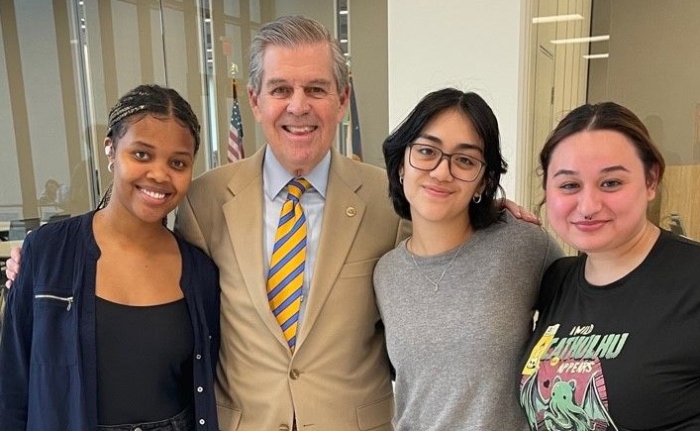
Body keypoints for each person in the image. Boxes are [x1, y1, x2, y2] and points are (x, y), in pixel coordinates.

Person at [5, 16, 534, 431]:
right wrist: (43, 257)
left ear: (343, 100)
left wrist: (496, 216)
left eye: (317, 89)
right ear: (255, 101)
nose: (298, 107)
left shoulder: (391, 199)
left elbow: (443, 248)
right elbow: (139, 246)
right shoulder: (205, 198)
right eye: (280, 89)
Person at [0, 84, 220, 431]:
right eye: (142, 155)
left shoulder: (200, 272)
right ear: (111, 149)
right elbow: (13, 386)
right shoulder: (48, 254)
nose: (160, 174)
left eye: (178, 162)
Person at [374, 88, 562, 430]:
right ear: (401, 164)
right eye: (427, 151)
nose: (442, 172)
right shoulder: (385, 272)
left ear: (484, 181)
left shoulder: (524, 246)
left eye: (465, 160)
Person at [519, 102, 700, 430]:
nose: (588, 206)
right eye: (569, 185)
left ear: (650, 181)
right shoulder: (556, 280)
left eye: (611, 183)